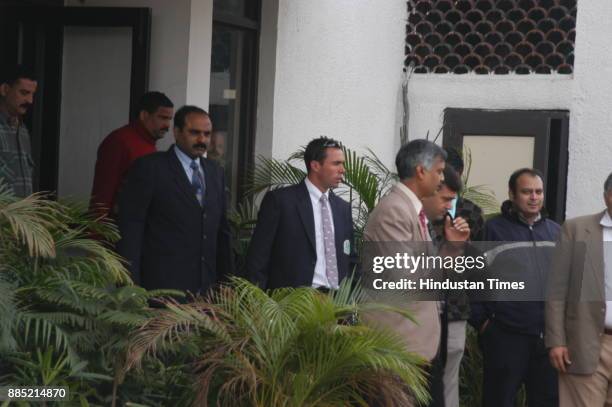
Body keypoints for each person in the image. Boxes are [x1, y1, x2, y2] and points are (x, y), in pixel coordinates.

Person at [362, 139, 468, 406]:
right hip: (398, 344)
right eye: (439, 171)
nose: (442, 177)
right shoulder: (394, 211)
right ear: (421, 171)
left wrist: (452, 249)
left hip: (414, 344)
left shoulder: (410, 208)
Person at [117, 105, 232, 293]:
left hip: (207, 292)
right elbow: (131, 230)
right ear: (176, 132)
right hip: (161, 290)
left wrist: (228, 284)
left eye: (207, 133)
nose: (202, 139)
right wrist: (131, 287)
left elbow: (222, 232)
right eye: (194, 132)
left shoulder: (215, 172)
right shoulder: (150, 168)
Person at [470, 168, 560, 407]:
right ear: (512, 194)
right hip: (505, 337)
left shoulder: (555, 232)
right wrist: (483, 324)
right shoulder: (492, 230)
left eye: (538, 191)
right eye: (526, 192)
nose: (534, 197)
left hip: (547, 340)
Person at [246, 136, 355, 290]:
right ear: (315, 165)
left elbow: (350, 258)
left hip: (337, 305)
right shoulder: (280, 201)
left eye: (342, 164)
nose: (343, 170)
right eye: (336, 163)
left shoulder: (342, 208)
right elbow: (258, 258)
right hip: (293, 304)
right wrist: (259, 303)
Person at [546, 172, 612, 407]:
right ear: (607, 197)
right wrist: (556, 341)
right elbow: (557, 289)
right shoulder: (577, 229)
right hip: (585, 342)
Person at [422, 165, 471, 407]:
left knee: (446, 383)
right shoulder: (412, 219)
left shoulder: (467, 215)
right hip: (418, 321)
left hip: (452, 311)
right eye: (446, 199)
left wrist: (456, 246)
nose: (449, 206)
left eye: (454, 200)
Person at [440, 147, 485, 407]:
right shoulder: (422, 209)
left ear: (459, 174)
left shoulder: (472, 212)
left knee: (449, 378)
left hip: (456, 307)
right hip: (421, 305)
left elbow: (480, 265)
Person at [90, 91, 174, 218]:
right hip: (118, 229)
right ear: (144, 115)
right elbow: (103, 194)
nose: (167, 125)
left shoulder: (149, 143)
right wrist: (97, 234)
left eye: (169, 119)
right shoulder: (119, 141)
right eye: (162, 118)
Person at [0, 65, 37, 197]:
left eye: (32, 94)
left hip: (22, 215)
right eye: (24, 93)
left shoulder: (23, 131)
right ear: (5, 89)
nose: (30, 101)